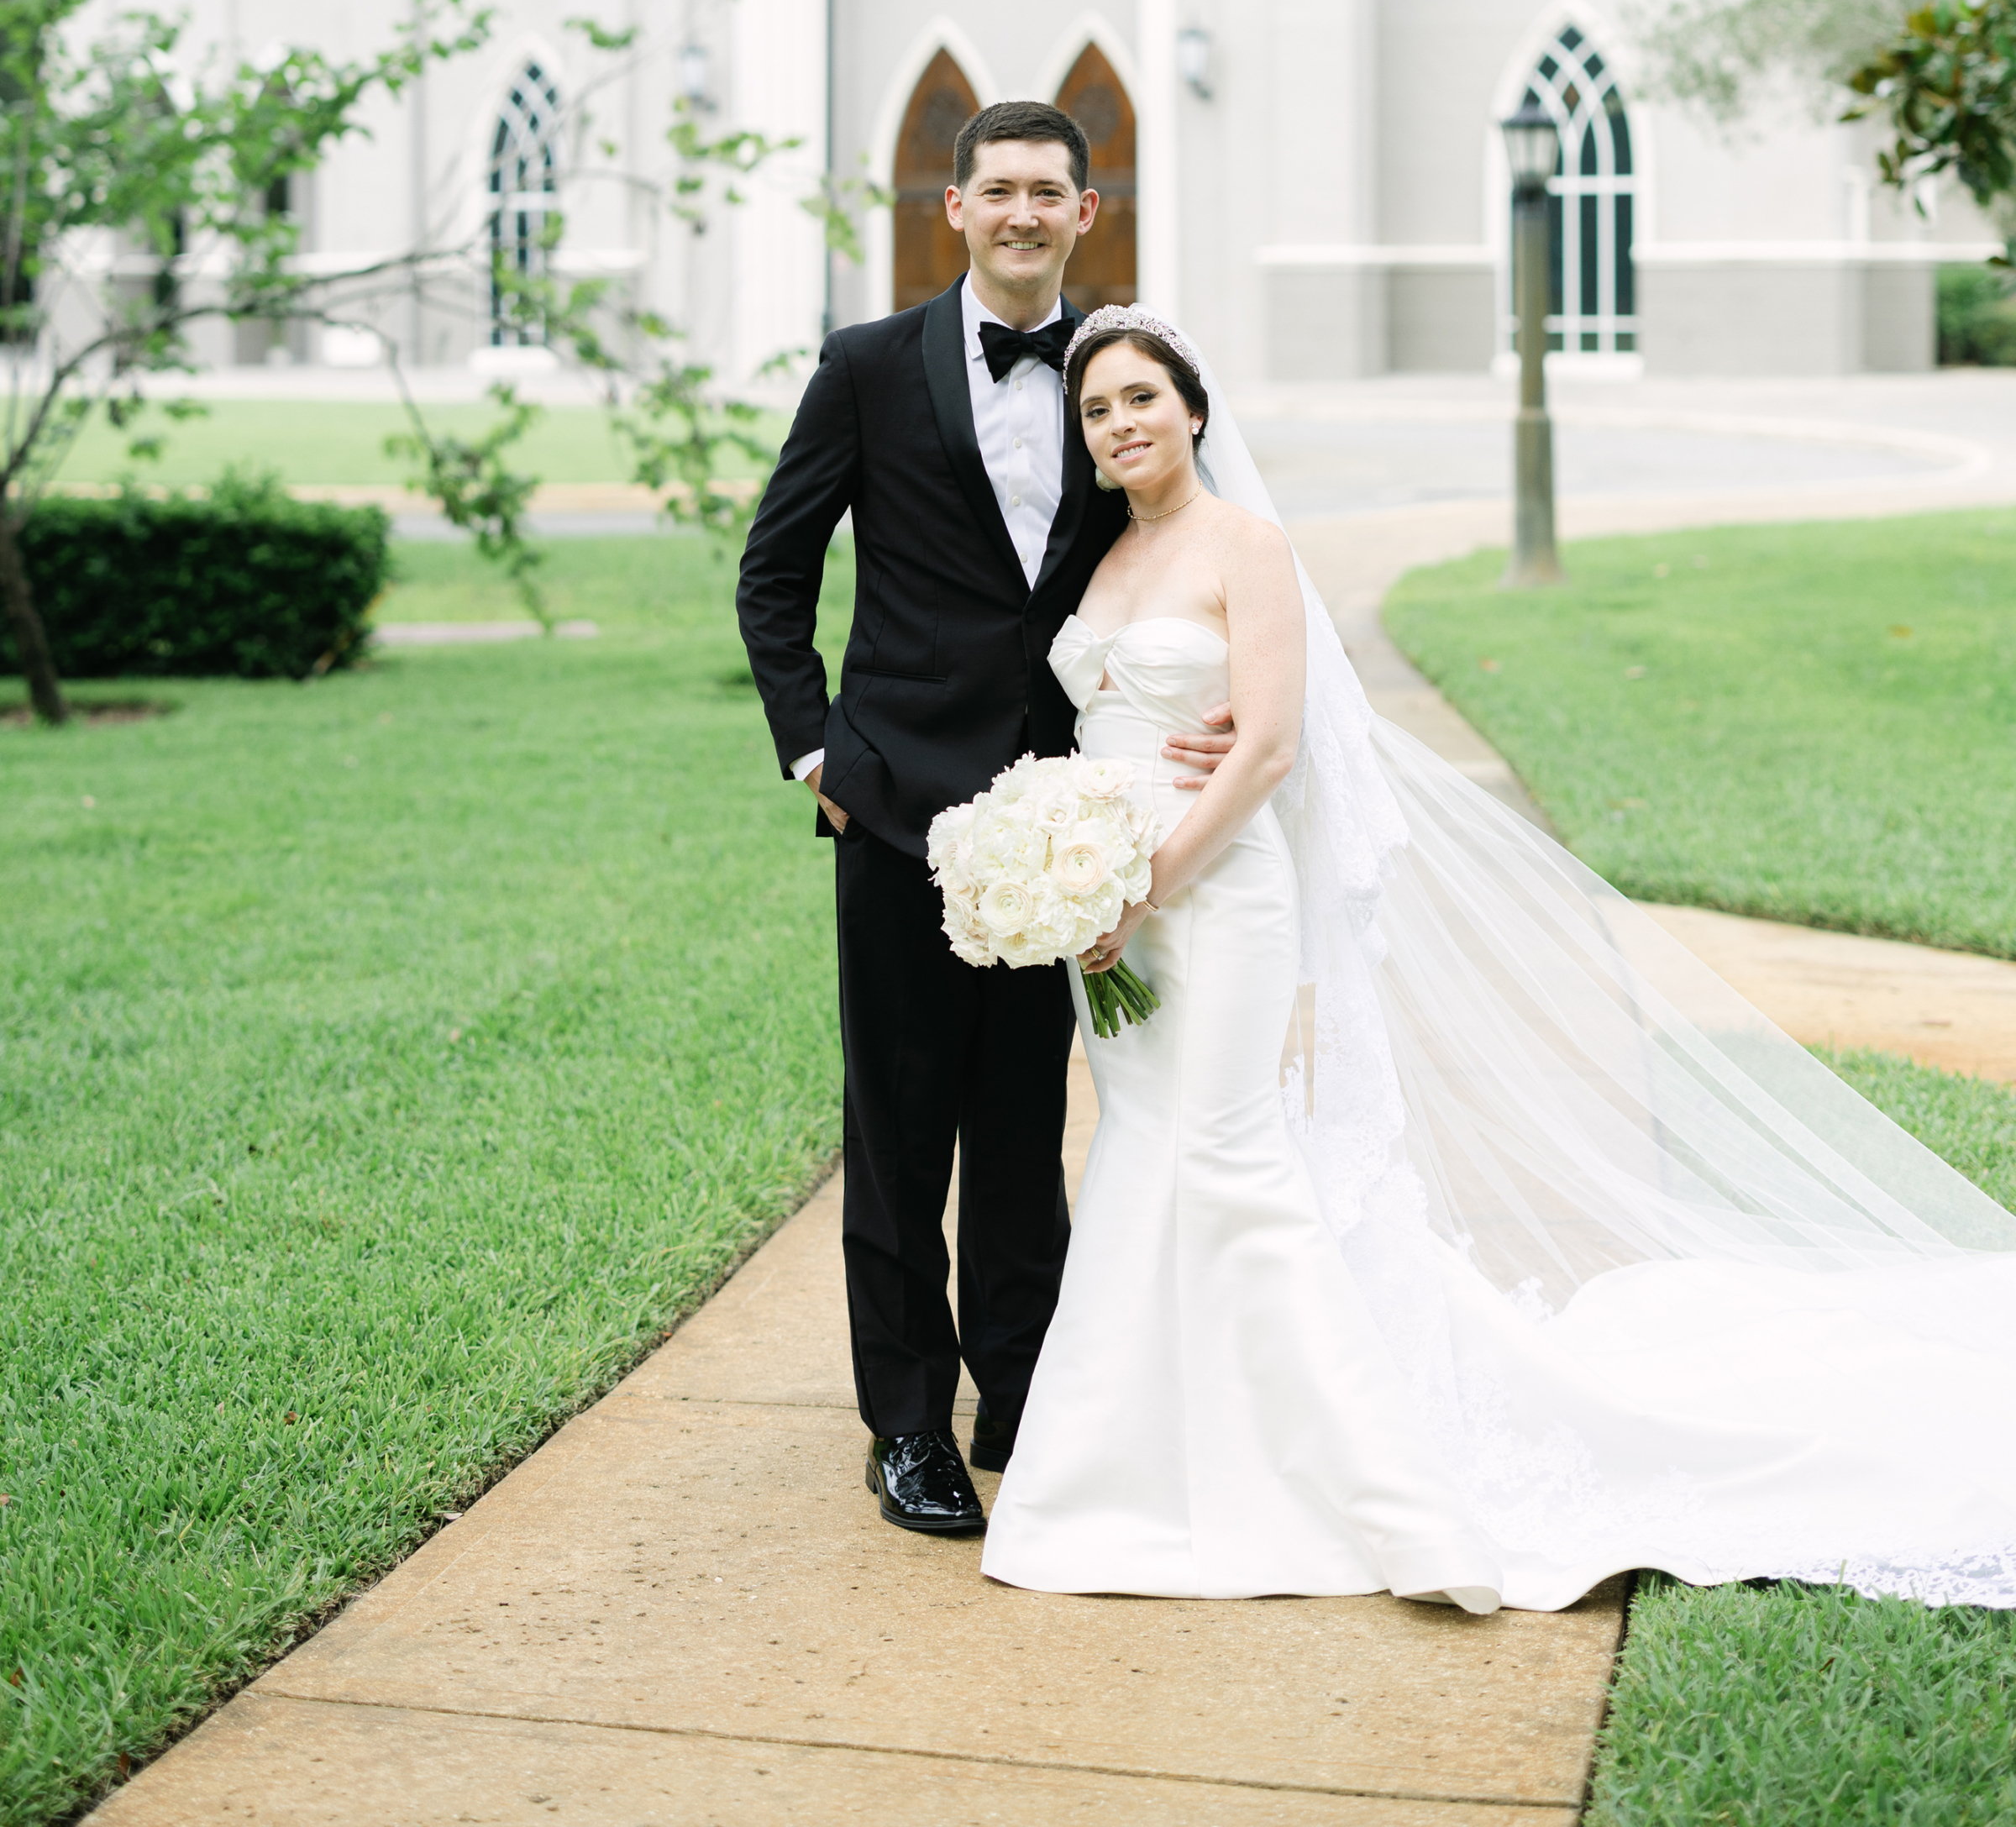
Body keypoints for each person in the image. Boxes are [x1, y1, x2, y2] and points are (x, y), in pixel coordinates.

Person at [982, 303, 2016, 1612]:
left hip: (1215, 899)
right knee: (1141, 1153)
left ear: (1193, 409)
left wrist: (1150, 883)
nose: (1121, 424)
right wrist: (1069, 869)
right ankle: (1139, 1474)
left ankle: (1377, 1496)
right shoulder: (1104, 563)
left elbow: (1272, 748)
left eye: (1141, 399)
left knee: (1232, 1155)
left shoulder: (1248, 545)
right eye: (1096, 411)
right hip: (1110, 917)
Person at [735, 108, 1235, 1541]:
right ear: (954, 208)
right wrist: (813, 749)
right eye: (998, 189)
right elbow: (775, 576)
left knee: (1024, 1123)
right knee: (898, 1128)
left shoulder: (1114, 377)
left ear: (1089, 215)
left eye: (1050, 192)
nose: (1023, 212)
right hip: (893, 802)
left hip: (1066, 815)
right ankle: (907, 1421)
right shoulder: (867, 367)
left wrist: (1192, 711)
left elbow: (1184, 544)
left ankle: (1021, 1390)